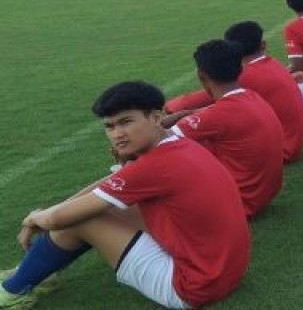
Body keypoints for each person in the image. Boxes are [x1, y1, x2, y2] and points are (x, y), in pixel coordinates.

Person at [0, 81, 249, 309]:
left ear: (156, 117)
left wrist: (34, 217)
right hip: (224, 271)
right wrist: (56, 210)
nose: (117, 133)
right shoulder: (177, 146)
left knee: (81, 218)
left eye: (126, 122)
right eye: (109, 126)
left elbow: (58, 219)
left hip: (191, 287)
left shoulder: (155, 166)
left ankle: (13, 292)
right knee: (95, 208)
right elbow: (110, 185)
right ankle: (34, 271)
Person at [165, 40, 284, 219]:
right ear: (240, 69)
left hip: (237, 204)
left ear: (202, 76)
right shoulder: (251, 96)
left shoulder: (218, 114)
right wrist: (181, 114)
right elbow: (207, 114)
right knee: (199, 145)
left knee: (161, 164)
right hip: (261, 197)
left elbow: (157, 141)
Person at [165, 21, 303, 165]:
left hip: (282, 149)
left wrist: (170, 110)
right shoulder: (270, 64)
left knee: (187, 144)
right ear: (262, 45)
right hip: (291, 142)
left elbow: (192, 103)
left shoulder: (246, 76)